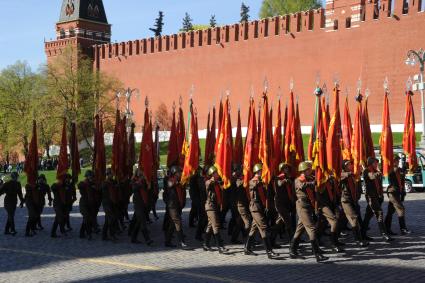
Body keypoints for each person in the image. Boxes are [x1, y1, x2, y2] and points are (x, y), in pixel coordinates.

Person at [290, 161, 328, 262]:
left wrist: (321, 180)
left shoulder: (310, 178)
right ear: (304, 170)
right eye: (309, 169)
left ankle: (292, 249)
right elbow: (303, 186)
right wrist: (313, 182)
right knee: (312, 229)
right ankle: (317, 253)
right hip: (302, 206)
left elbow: (317, 188)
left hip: (309, 205)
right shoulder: (298, 180)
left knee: (300, 229)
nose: (311, 171)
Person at [246, 163, 279, 259]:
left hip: (260, 207)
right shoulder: (253, 181)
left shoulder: (262, 181)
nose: (263, 172)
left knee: (254, 228)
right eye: (261, 171)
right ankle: (269, 251)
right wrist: (265, 180)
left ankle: (247, 248)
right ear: (257, 172)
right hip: (255, 208)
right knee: (263, 227)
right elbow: (255, 185)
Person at [362, 157, 392, 242]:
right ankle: (384, 234)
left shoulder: (375, 171)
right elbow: (372, 177)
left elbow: (379, 183)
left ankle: (362, 233)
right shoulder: (366, 171)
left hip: (377, 196)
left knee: (368, 215)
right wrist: (378, 172)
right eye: (375, 163)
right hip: (371, 197)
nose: (377, 164)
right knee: (379, 213)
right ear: (371, 163)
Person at [340, 160, 369, 247]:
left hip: (353, 200)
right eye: (348, 165)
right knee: (354, 218)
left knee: (340, 221)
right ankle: (358, 240)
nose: (350, 165)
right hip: (346, 200)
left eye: (350, 164)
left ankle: (334, 238)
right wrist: (351, 173)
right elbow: (341, 176)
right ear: (344, 167)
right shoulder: (343, 174)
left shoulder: (351, 174)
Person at [203, 166, 229, 254]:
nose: (218, 174)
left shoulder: (217, 183)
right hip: (210, 206)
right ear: (212, 174)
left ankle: (205, 244)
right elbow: (208, 184)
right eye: (216, 173)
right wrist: (213, 180)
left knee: (210, 225)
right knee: (216, 225)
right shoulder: (209, 182)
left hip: (215, 206)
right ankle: (220, 246)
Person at [316, 174, 343, 252]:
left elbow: (335, 192)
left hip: (332, 203)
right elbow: (319, 191)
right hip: (323, 205)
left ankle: (317, 240)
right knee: (334, 221)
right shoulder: (319, 179)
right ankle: (333, 243)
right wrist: (325, 179)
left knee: (322, 223)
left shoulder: (332, 180)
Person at [270, 163, 296, 246]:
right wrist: (284, 181)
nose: (286, 169)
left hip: (285, 203)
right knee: (288, 222)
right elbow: (279, 184)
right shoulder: (279, 177)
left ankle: (271, 240)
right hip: (279, 203)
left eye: (287, 168)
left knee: (279, 222)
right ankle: (292, 243)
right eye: (285, 168)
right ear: (281, 169)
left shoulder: (288, 177)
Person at [384, 155, 410, 235]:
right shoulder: (391, 169)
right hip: (392, 192)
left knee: (390, 211)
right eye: (396, 161)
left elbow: (402, 177)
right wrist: (401, 170)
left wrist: (405, 167)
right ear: (393, 161)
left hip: (397, 192)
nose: (398, 162)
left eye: (398, 161)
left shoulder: (399, 169)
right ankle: (403, 229)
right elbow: (393, 171)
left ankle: (386, 228)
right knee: (401, 209)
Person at [163, 166, 187, 248]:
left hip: (178, 205)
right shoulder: (169, 180)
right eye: (178, 173)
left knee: (172, 224)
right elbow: (169, 185)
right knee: (178, 221)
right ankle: (182, 241)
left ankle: (167, 241)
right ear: (174, 173)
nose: (179, 174)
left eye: (180, 172)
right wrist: (176, 182)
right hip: (172, 205)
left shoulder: (180, 181)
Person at [130, 169, 153, 245]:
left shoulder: (144, 180)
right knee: (143, 222)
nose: (141, 172)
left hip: (144, 204)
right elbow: (134, 189)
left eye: (142, 171)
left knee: (138, 222)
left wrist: (148, 183)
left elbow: (148, 190)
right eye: (139, 171)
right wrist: (139, 182)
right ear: (136, 173)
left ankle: (133, 237)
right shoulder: (133, 180)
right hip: (138, 204)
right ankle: (147, 239)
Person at [101, 168, 119, 241]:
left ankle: (104, 235)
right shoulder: (105, 183)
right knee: (111, 219)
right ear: (108, 175)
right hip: (107, 203)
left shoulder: (113, 182)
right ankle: (112, 235)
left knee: (107, 220)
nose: (112, 175)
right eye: (111, 174)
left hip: (112, 203)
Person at [78, 170, 96, 240]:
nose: (91, 177)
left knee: (88, 219)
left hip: (90, 204)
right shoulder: (83, 183)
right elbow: (79, 186)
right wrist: (88, 183)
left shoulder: (93, 184)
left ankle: (82, 233)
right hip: (84, 204)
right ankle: (89, 234)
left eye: (92, 176)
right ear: (87, 176)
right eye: (89, 176)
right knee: (87, 217)